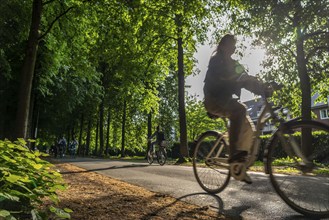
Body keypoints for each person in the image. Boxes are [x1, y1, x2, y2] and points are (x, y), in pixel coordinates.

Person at [203, 34, 271, 184]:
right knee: (239, 110)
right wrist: (237, 78)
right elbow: (222, 77)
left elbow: (246, 79)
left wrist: (262, 88)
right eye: (230, 44)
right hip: (213, 100)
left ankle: (239, 168)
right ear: (221, 46)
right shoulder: (216, 61)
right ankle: (234, 155)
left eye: (234, 45)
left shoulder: (235, 64)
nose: (233, 47)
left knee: (248, 129)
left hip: (227, 101)